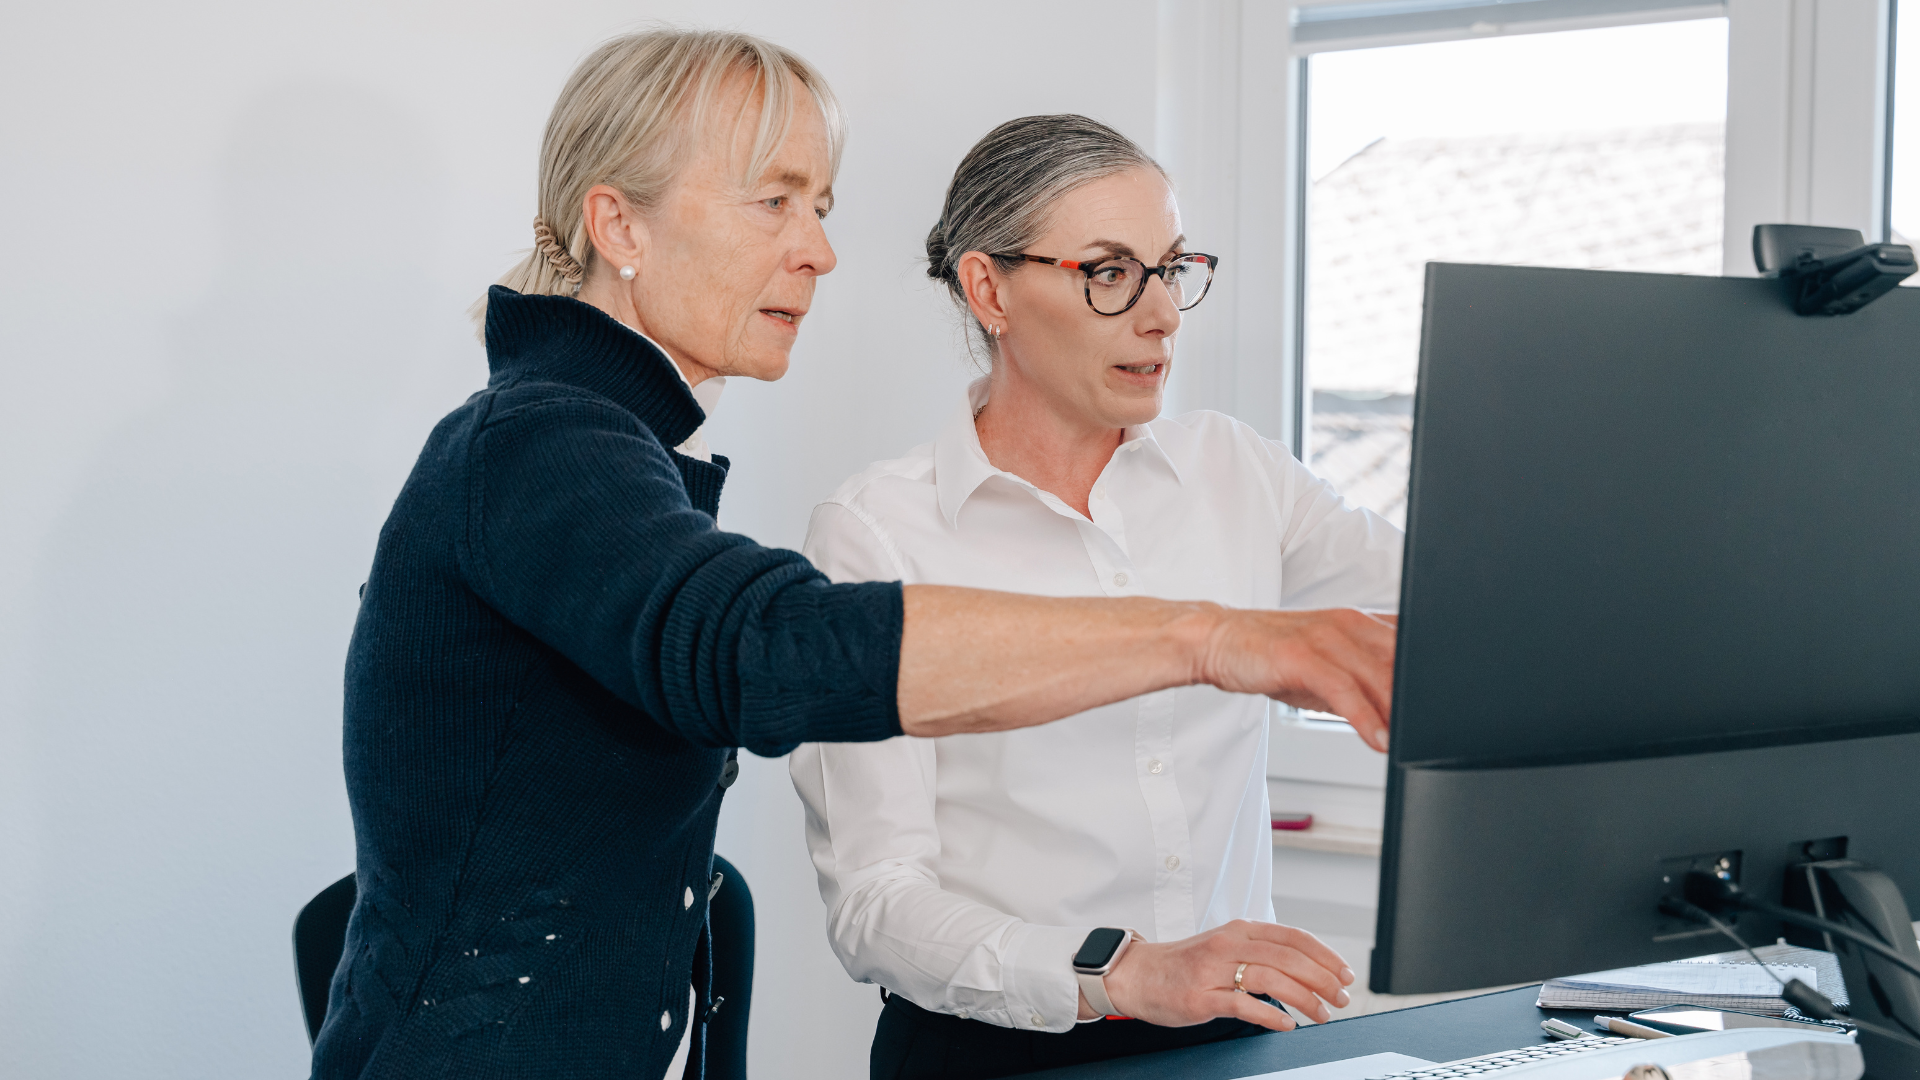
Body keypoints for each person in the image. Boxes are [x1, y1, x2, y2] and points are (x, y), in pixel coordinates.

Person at [312, 33, 1397, 1080]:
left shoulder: (611, 448)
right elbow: (762, 653)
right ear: (619, 225)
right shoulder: (540, 445)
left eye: (819, 207)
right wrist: (1207, 635)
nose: (819, 249)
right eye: (774, 200)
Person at [789, 114, 1405, 1080]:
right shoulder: (877, 532)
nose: (1160, 315)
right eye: (1109, 272)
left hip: (1238, 1038)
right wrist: (1118, 973)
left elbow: (1453, 613)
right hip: (992, 1052)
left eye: (1171, 268)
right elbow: (875, 905)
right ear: (988, 287)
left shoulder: (1237, 473)